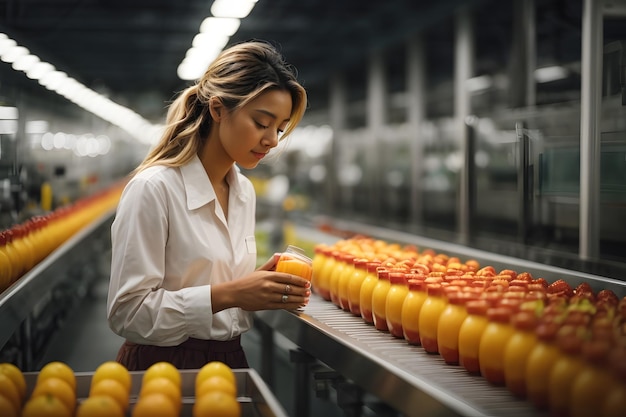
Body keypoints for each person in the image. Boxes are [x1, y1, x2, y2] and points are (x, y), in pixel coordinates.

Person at [107, 40, 310, 371]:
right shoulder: (154, 189)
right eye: (261, 123)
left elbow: (224, 299)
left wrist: (254, 289)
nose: (272, 140)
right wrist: (229, 294)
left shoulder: (243, 191)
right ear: (217, 110)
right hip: (162, 367)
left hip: (229, 362)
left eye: (280, 128)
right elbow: (127, 314)